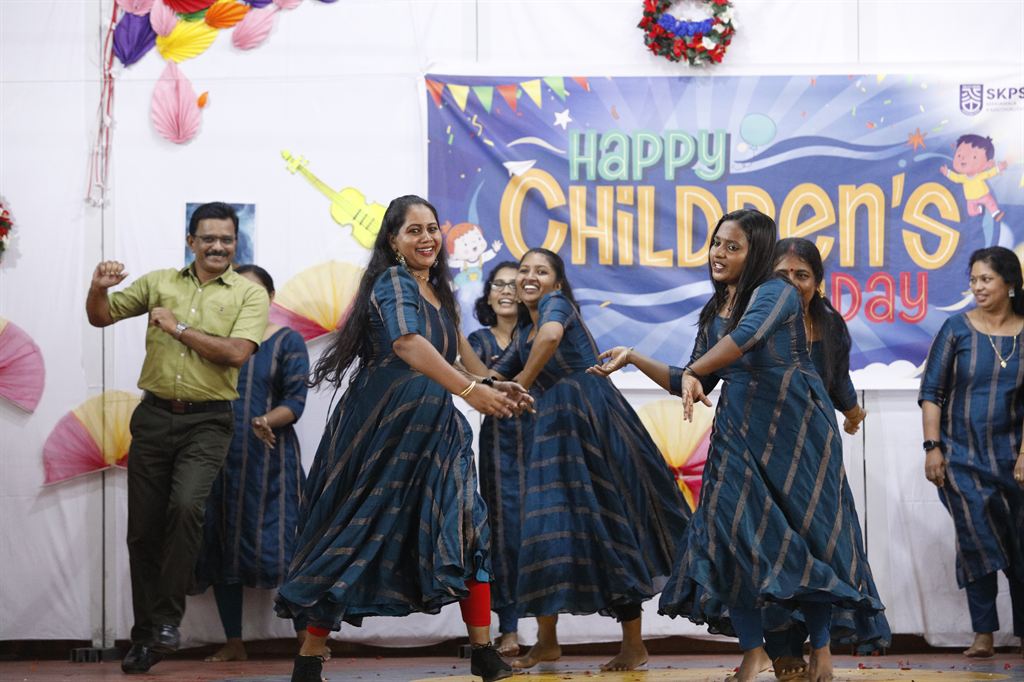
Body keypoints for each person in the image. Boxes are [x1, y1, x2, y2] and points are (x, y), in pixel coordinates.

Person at [590, 209, 883, 682]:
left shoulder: (776, 292)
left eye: (733, 246)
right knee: (730, 539)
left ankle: (821, 649)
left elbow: (744, 339)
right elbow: (692, 380)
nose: (719, 253)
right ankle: (754, 651)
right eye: (716, 243)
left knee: (809, 537)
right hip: (738, 431)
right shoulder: (714, 311)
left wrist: (693, 372)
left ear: (756, 252)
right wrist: (633, 357)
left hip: (797, 429)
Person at [273, 195, 530, 682]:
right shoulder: (394, 282)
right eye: (414, 230)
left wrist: (493, 383)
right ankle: (310, 656)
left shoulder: (437, 290)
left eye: (432, 228)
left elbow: (451, 356)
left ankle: (483, 651)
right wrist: (471, 392)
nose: (427, 238)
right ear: (392, 240)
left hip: (436, 429)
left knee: (468, 527)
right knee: (356, 534)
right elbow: (408, 344)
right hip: (385, 426)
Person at [85, 202, 270, 675]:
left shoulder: (249, 295)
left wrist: (178, 328)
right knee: (143, 530)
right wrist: (98, 288)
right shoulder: (159, 282)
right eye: (208, 238)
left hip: (208, 422)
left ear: (236, 243)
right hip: (153, 417)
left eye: (226, 239)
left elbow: (236, 354)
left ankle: (167, 621)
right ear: (191, 241)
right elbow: (101, 317)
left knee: (187, 507)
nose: (217, 246)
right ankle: (147, 636)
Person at [485, 248, 691, 673]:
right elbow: (491, 376)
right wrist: (449, 357)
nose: (529, 276)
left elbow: (550, 340)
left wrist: (522, 382)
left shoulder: (556, 306)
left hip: (591, 421)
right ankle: (546, 642)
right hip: (552, 432)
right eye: (523, 270)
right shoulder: (524, 329)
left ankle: (633, 645)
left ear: (557, 283)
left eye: (541, 271)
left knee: (611, 526)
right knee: (544, 528)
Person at [766, 237, 892, 678]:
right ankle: (783, 649)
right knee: (773, 547)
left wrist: (853, 412)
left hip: (817, 452)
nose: (792, 282)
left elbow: (837, 379)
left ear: (817, 282)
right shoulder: (757, 318)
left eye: (801, 275)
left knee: (823, 546)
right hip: (764, 448)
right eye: (782, 274)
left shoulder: (830, 324)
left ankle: (821, 647)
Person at [192, 264, 312, 663]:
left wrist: (264, 420)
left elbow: (295, 402)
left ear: (271, 298)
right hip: (219, 460)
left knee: (290, 548)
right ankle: (234, 642)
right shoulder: (214, 342)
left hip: (272, 462)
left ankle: (307, 642)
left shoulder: (287, 341)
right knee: (223, 546)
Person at [919, 245, 1024, 659]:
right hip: (961, 458)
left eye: (986, 279)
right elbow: (932, 393)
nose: (977, 287)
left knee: (1018, 544)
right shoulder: (956, 329)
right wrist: (932, 448)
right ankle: (983, 634)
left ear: (1010, 284)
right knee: (976, 538)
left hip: (1013, 459)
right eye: (974, 279)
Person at [467, 261, 530, 657]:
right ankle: (508, 628)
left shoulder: (540, 334)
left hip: (543, 440)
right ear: (488, 295)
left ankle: (549, 632)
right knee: (504, 535)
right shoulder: (477, 341)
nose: (506, 290)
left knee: (541, 533)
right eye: (498, 284)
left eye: (514, 284)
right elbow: (472, 379)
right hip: (500, 446)